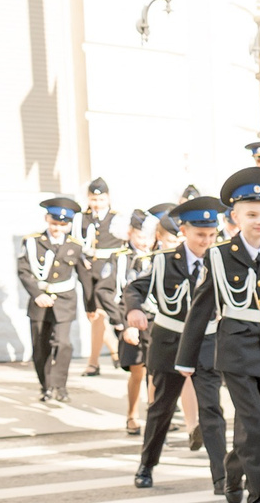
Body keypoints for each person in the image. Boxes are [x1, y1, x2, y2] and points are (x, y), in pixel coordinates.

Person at [175, 168, 260, 503]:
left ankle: (234, 468)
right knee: (255, 426)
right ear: (235, 217)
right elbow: (201, 307)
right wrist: (186, 360)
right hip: (234, 350)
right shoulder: (219, 256)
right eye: (251, 215)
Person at [128, 197, 230, 494]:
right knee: (160, 408)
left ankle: (220, 476)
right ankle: (146, 465)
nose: (207, 241)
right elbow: (135, 287)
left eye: (212, 235)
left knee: (212, 410)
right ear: (184, 231)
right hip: (169, 342)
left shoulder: (221, 262)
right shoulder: (162, 261)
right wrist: (134, 309)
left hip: (206, 343)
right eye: (200, 235)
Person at [17, 196, 92, 403]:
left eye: (62, 224)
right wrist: (37, 294)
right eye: (54, 223)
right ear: (46, 219)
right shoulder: (32, 242)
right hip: (39, 300)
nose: (58, 228)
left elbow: (84, 276)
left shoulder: (75, 246)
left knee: (63, 343)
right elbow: (23, 270)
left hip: (65, 300)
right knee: (40, 345)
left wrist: (91, 305)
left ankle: (60, 385)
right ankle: (46, 386)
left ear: (68, 225)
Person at [74, 178, 128, 381]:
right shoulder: (81, 218)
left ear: (108, 198)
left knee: (100, 315)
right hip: (89, 272)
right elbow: (76, 244)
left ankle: (94, 362)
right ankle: (113, 351)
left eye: (101, 198)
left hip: (111, 271)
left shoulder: (118, 218)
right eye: (93, 199)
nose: (97, 203)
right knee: (94, 316)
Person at [114, 207, 157, 435]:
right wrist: (125, 325)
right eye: (140, 236)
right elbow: (116, 294)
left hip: (155, 320)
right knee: (137, 371)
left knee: (156, 371)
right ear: (130, 233)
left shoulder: (158, 257)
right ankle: (132, 415)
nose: (145, 242)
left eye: (149, 237)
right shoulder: (123, 259)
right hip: (131, 320)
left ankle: (155, 417)